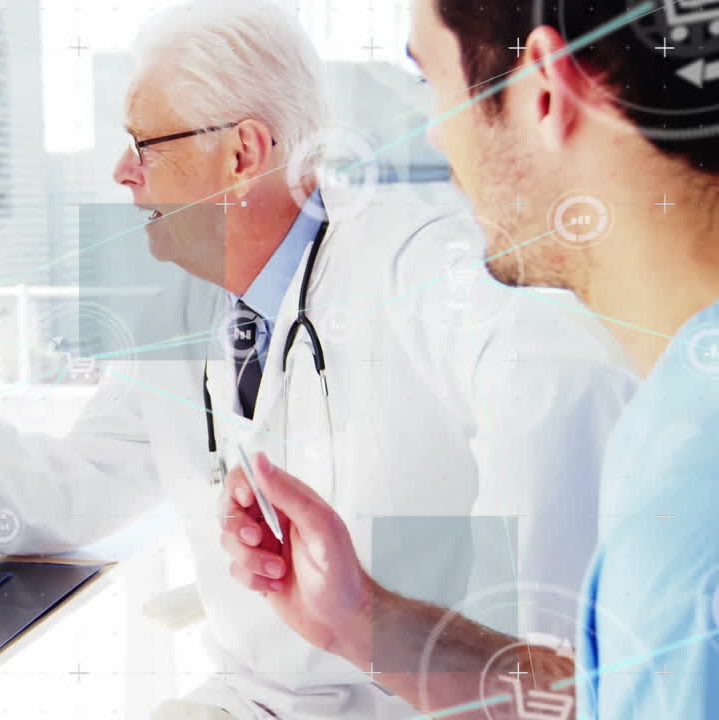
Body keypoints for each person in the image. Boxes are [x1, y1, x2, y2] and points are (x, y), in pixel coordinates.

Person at [0, 0, 634, 716]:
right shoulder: (183, 308)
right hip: (253, 703)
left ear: (241, 155)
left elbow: (565, 383)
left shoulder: (413, 260)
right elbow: (68, 490)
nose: (121, 173)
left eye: (145, 145)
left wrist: (543, 674)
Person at [220, 0, 719, 717]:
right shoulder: (678, 421)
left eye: (434, 84)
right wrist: (361, 620)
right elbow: (603, 699)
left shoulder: (692, 520)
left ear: (543, 90)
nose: (433, 132)